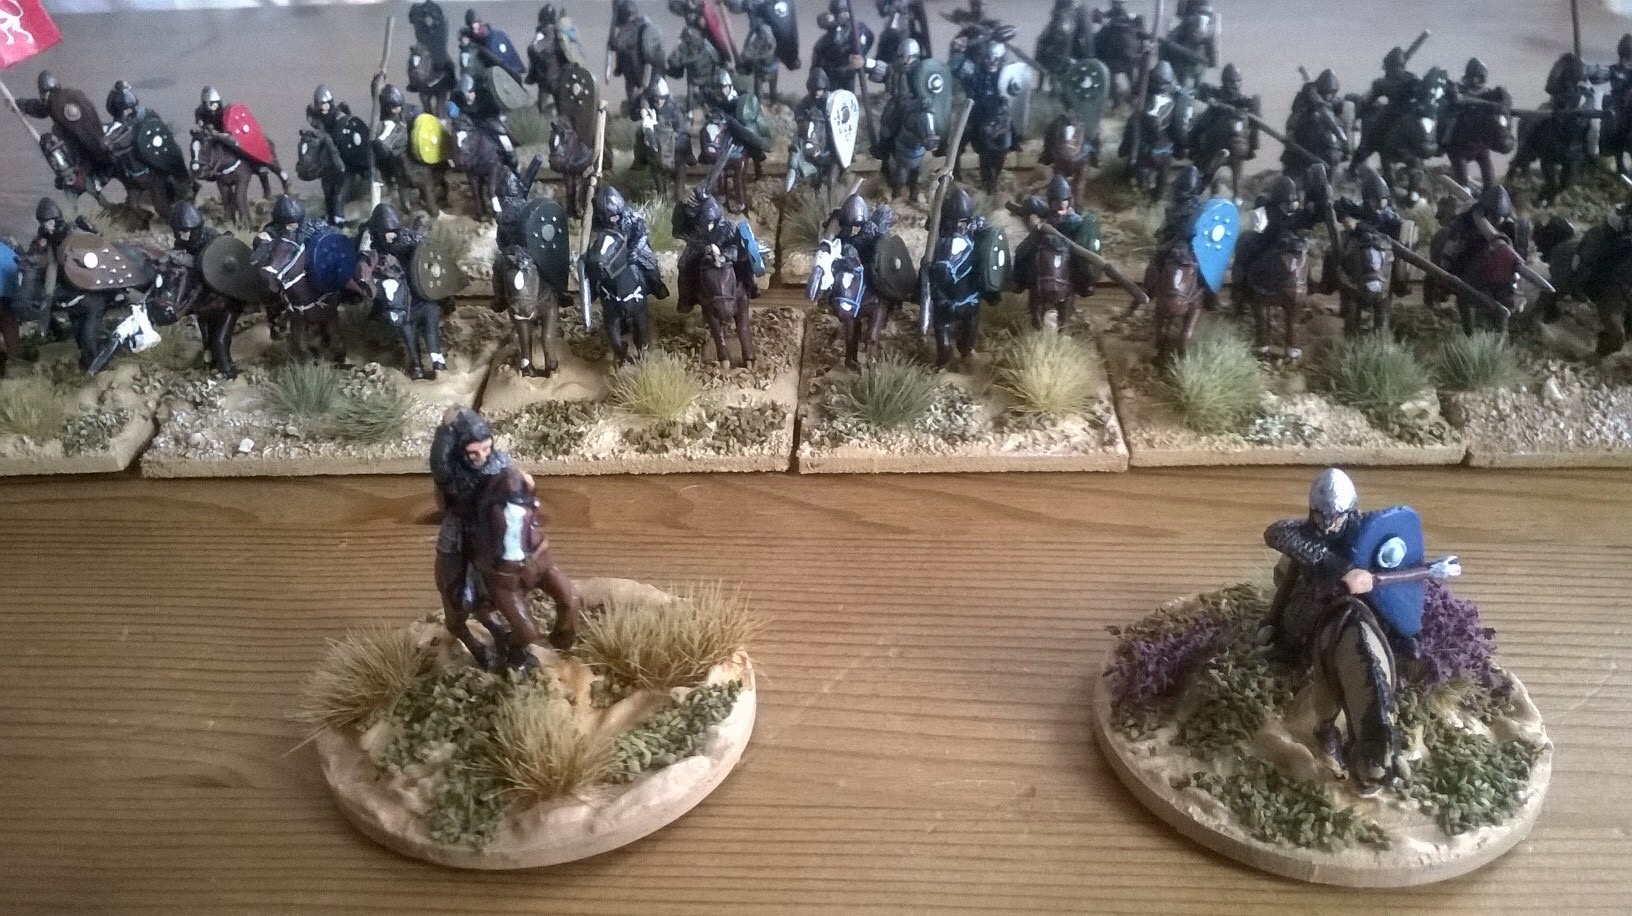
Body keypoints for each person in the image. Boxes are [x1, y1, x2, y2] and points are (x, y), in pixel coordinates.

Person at [1263, 468, 1373, 661]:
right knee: (1297, 621)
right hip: (1314, 587)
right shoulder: (1308, 530)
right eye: (1322, 516)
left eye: (1336, 517)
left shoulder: (1362, 527)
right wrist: (1323, 557)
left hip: (1353, 590)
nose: (1328, 525)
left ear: (1347, 512)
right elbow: (1274, 533)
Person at [362, 203, 446, 380]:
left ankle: (438, 362)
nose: (391, 236)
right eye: (386, 232)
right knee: (408, 335)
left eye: (393, 231)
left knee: (431, 331)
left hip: (421, 296)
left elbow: (427, 257)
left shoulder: (410, 241)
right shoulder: (375, 248)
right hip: (400, 301)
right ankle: (416, 366)